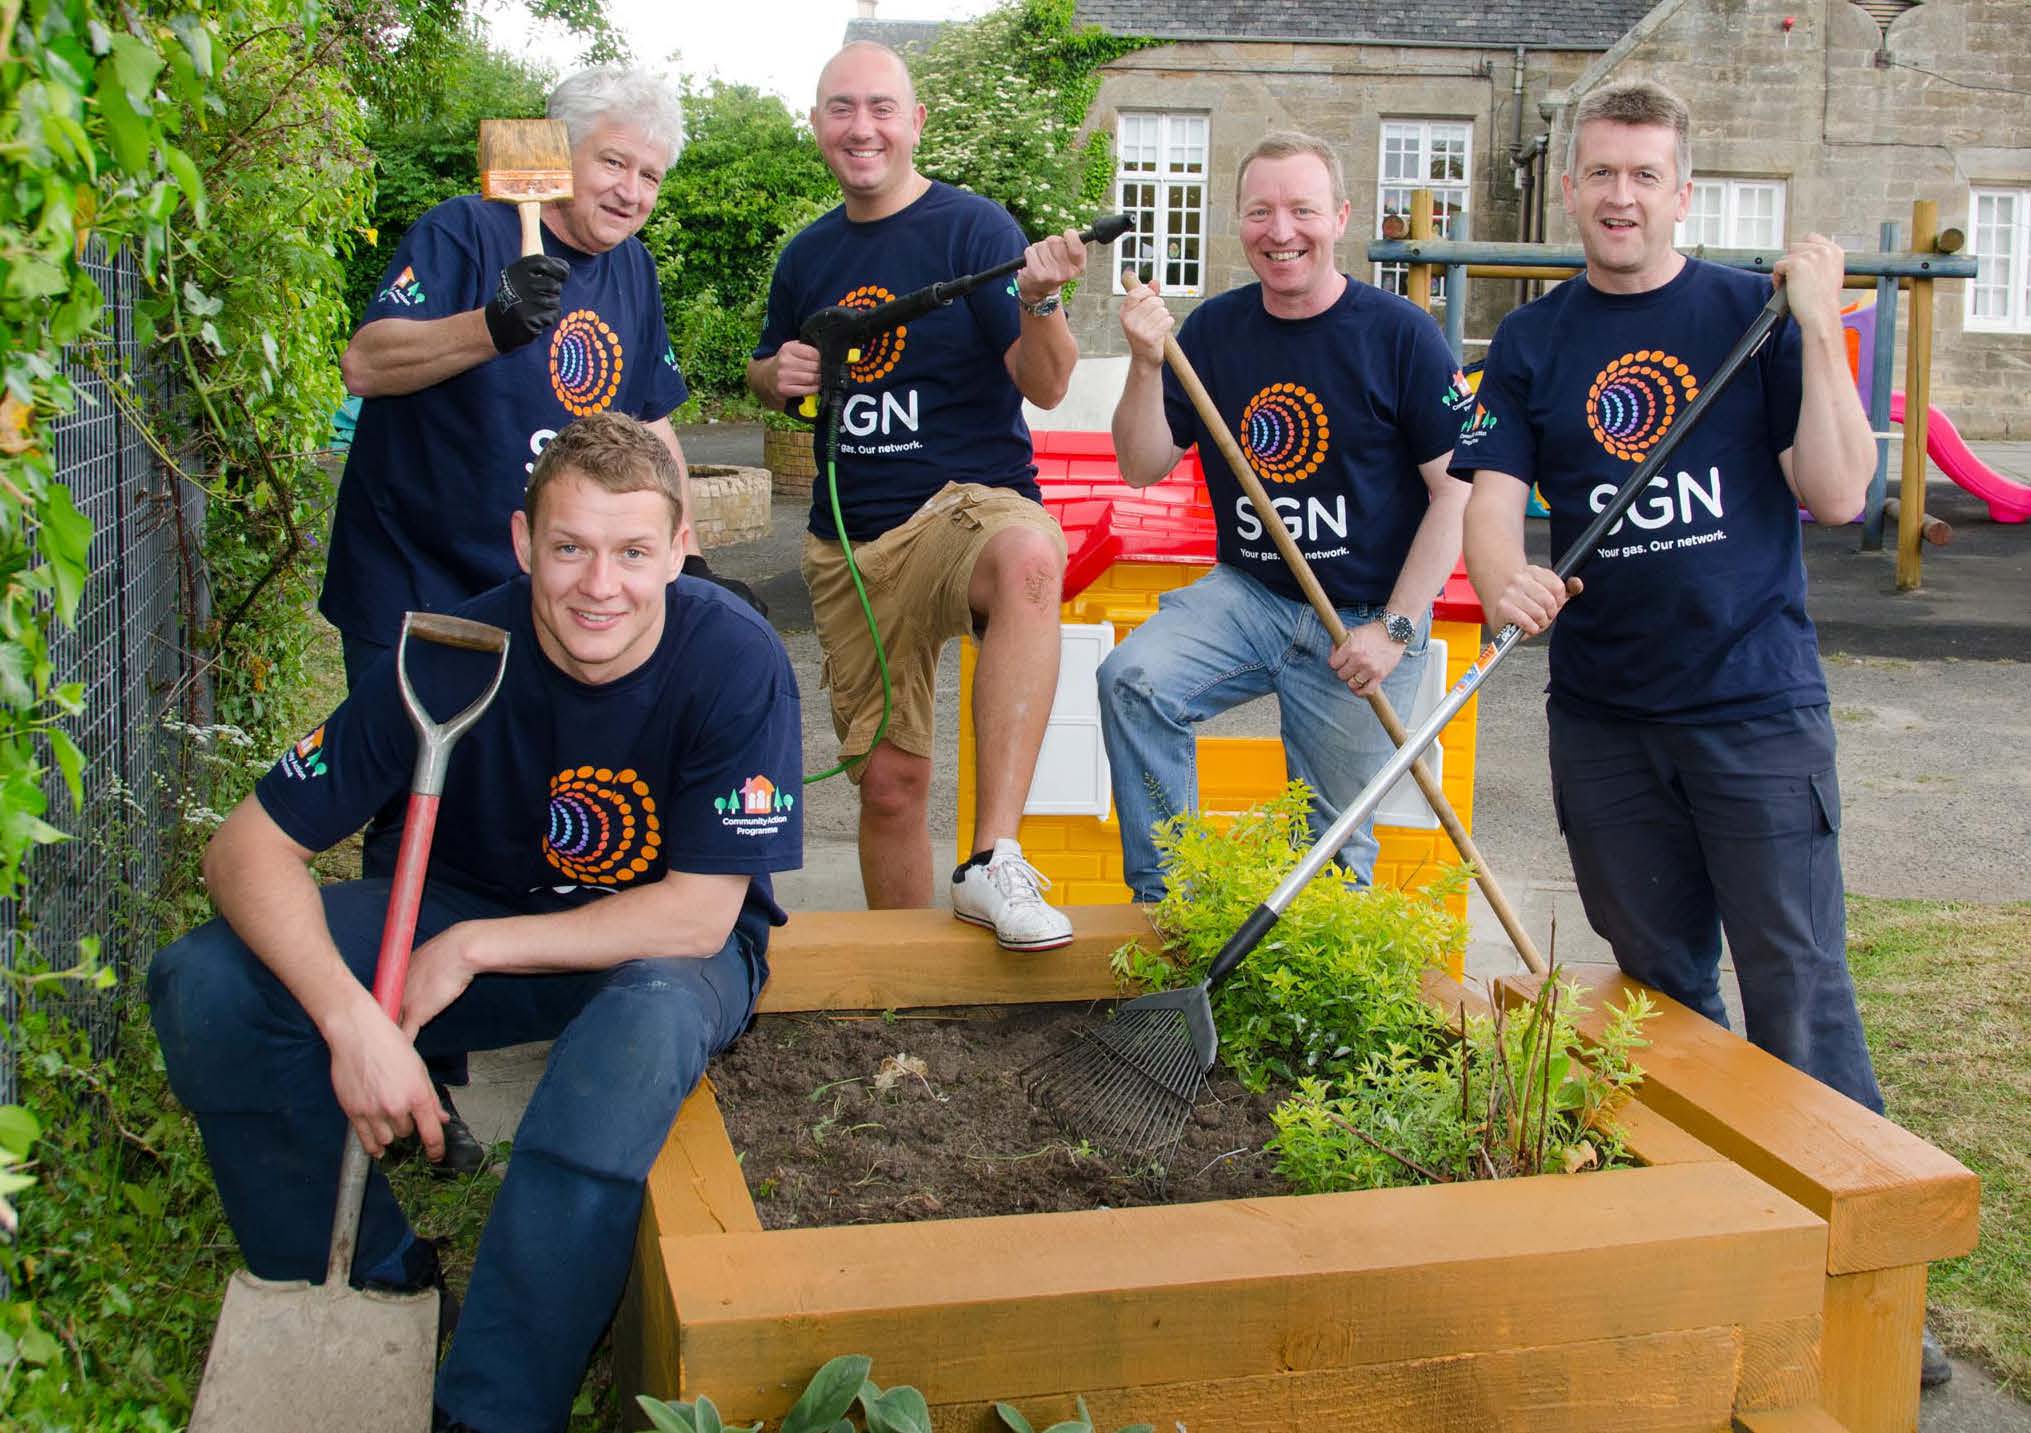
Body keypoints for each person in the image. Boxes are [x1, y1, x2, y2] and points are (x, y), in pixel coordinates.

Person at [149, 413, 802, 1433]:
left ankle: (493, 1406)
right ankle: (378, 1282)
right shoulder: (450, 655)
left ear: (680, 549)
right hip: (475, 908)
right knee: (209, 984)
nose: (601, 585)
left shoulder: (735, 661)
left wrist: (471, 947)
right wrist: (352, 1024)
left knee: (634, 1043)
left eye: (634, 551)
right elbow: (243, 849)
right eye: (570, 547)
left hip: (662, 946)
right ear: (521, 541)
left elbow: (700, 909)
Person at [1455, 86, 1947, 1384]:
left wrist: (1821, 333)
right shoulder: (1531, 339)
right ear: (1569, 190)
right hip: (1604, 723)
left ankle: (1865, 1278)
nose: (1619, 195)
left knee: (1797, 988)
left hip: (1751, 710)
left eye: (1645, 175)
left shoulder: (1748, 316)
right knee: (1661, 992)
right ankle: (1712, 1253)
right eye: (1599, 173)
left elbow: (1838, 493)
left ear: (1683, 192)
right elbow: (1491, 499)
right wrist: (1503, 574)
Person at [327, 68, 752, 1165]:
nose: (631, 191)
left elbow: (648, 422)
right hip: (419, 579)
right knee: (407, 811)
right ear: (557, 153)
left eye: (652, 175)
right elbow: (367, 360)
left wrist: (688, 558)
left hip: (547, 596)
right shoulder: (469, 231)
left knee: (497, 808)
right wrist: (489, 321)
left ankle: (479, 999)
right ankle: (405, 1074)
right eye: (614, 162)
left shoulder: (633, 270)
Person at [747, 41, 1087, 951]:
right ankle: (908, 981)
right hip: (849, 538)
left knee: (1026, 561)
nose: (863, 128)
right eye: (842, 109)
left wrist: (1043, 302)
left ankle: (991, 860)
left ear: (915, 122)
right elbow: (771, 370)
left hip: (961, 506)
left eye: (881, 109)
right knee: (890, 783)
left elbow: (1046, 387)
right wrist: (773, 371)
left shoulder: (973, 229)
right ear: (817, 123)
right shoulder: (808, 253)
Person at [1099, 131, 1475, 900]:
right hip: (1251, 597)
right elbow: (1142, 464)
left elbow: (1456, 492)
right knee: (1131, 679)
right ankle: (1173, 907)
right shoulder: (1209, 332)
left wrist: (1396, 630)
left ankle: (1313, 1014)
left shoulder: (1400, 335)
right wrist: (1145, 362)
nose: (1280, 232)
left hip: (1364, 614)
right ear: (1237, 222)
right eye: (1260, 212)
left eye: (1301, 209)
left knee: (1331, 851)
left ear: (1339, 217)